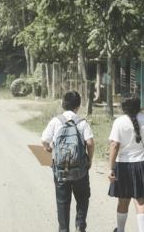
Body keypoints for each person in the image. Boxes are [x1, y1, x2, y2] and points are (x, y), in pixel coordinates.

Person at [41, 91, 95, 232]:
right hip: (80, 169)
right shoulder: (82, 122)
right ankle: (80, 224)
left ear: (63, 104)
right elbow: (90, 143)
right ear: (78, 105)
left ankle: (64, 229)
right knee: (83, 197)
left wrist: (49, 150)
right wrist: (89, 160)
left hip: (61, 169)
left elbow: (44, 141)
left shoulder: (55, 121)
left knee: (62, 201)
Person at [108, 97, 144, 232]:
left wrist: (110, 168)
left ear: (123, 108)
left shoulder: (119, 122)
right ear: (139, 106)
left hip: (123, 165)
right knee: (141, 201)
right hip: (143, 165)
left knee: (123, 201)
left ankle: (120, 230)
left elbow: (114, 145)